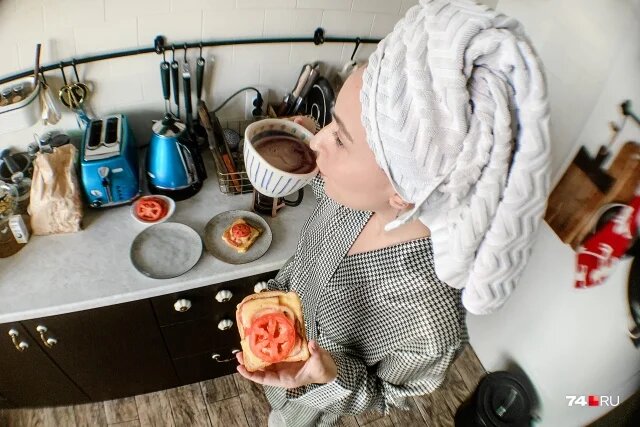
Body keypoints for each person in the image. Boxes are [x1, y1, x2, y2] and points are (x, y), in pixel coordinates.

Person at [236, 0, 551, 426]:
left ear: (405, 192)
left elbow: (387, 396)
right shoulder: (352, 194)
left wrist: (330, 375)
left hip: (310, 406)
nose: (317, 141)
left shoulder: (432, 320)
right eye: (331, 123)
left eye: (340, 138)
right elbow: (318, 172)